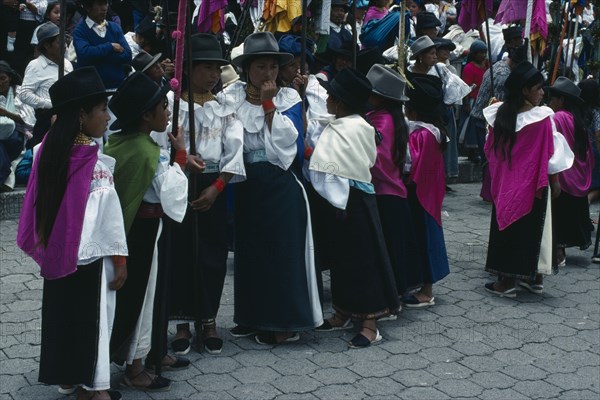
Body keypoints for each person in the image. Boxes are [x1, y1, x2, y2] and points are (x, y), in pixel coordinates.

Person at [16, 66, 128, 400]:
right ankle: (94, 390)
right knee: (94, 321)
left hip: (58, 252)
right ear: (81, 115)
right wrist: (120, 259)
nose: (108, 117)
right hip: (92, 256)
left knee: (65, 317)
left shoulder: (47, 149)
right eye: (102, 109)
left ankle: (70, 378)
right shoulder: (92, 165)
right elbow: (107, 221)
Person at [220, 31, 323, 345]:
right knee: (251, 253)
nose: (268, 74)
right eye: (261, 67)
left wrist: (268, 104)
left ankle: (284, 321)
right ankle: (252, 316)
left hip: (280, 184)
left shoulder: (289, 98)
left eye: (273, 67)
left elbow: (285, 147)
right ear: (247, 68)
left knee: (281, 253)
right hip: (246, 183)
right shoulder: (230, 96)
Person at [105, 72, 188, 391]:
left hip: (132, 230)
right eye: (163, 107)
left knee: (148, 295)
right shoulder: (145, 152)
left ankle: (153, 352)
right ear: (145, 115)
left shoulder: (122, 142)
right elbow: (169, 195)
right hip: (141, 233)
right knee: (143, 298)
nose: (168, 113)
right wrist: (179, 156)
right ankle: (136, 367)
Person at [164, 33, 245, 356]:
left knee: (211, 254)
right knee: (181, 253)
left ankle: (208, 321)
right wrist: (182, 160)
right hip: (180, 183)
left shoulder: (225, 107)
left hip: (213, 183)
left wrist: (217, 187)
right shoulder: (172, 105)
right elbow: (162, 146)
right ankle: (182, 323)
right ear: (188, 69)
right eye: (206, 68)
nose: (213, 75)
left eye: (217, 69)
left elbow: (234, 150)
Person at [308, 67, 400, 347]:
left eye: (330, 96)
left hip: (353, 199)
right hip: (342, 199)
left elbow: (334, 165)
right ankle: (343, 311)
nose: (326, 100)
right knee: (341, 258)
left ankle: (370, 323)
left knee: (362, 261)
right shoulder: (349, 123)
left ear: (340, 102)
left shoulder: (350, 128)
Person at [483, 62, 574, 297]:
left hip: (506, 185)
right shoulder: (543, 119)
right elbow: (551, 154)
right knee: (534, 230)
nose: (543, 93)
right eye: (539, 88)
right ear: (525, 90)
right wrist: (554, 182)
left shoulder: (499, 116)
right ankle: (533, 277)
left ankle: (508, 281)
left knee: (512, 231)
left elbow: (491, 151)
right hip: (534, 185)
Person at [365, 64, 417, 299]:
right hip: (393, 190)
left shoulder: (381, 123)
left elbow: (378, 161)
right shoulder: (385, 118)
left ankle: (393, 292)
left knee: (389, 246)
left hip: (384, 191)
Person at [400, 73, 450, 308]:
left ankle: (427, 290)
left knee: (425, 238)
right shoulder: (433, 131)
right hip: (428, 192)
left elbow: (409, 162)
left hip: (420, 194)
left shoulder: (422, 135)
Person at [547, 77, 594, 266]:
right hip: (579, 174)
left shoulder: (558, 118)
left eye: (553, 98)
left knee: (559, 215)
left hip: (564, 175)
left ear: (561, 100)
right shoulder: (578, 120)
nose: (549, 102)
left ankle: (558, 253)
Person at [20, 21, 73, 149]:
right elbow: (24, 94)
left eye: (64, 40)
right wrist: (50, 104)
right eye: (59, 42)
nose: (64, 45)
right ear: (47, 46)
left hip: (69, 116)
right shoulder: (36, 66)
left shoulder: (67, 64)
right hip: (46, 119)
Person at [73, 0, 132, 90]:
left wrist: (97, 56)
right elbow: (84, 54)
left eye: (106, 3)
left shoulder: (114, 27)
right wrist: (110, 46)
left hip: (118, 87)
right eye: (100, 4)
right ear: (88, 8)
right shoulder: (80, 31)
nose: (104, 8)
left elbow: (127, 55)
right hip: (94, 91)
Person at [0, 61, 27, 189]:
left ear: (9, 78)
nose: (0, 83)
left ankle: (5, 174)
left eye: (3, 78)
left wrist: (6, 113)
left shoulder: (19, 92)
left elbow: (28, 122)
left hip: (17, 137)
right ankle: (6, 174)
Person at [461, 39, 489, 163]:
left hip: (485, 100)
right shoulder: (469, 68)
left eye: (484, 52)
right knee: (471, 127)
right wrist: (466, 103)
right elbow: (466, 87)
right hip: (473, 100)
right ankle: (472, 151)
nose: (482, 55)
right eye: (479, 52)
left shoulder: (487, 66)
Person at [578, 79, 600, 206]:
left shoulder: (578, 110)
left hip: (581, 149)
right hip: (594, 151)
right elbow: (598, 136)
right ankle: (589, 198)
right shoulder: (596, 112)